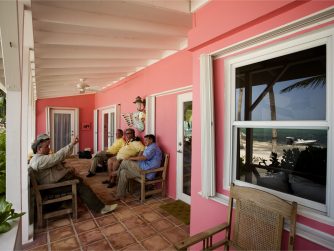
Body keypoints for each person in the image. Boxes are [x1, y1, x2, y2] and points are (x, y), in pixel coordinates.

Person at [29, 133, 118, 214]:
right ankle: (100, 208)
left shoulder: (38, 158)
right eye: (47, 146)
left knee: (79, 178)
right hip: (51, 187)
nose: (49, 148)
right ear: (39, 149)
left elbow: (55, 161)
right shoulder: (39, 161)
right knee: (80, 185)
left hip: (51, 183)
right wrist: (71, 144)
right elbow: (57, 157)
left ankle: (86, 201)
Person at [115, 134, 162, 199]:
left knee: (125, 161)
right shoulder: (150, 147)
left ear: (151, 140)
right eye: (144, 140)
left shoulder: (153, 147)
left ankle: (116, 174)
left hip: (146, 172)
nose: (144, 141)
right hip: (142, 168)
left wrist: (131, 158)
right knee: (123, 172)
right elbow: (143, 157)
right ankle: (120, 195)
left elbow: (144, 157)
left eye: (146, 140)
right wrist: (132, 158)